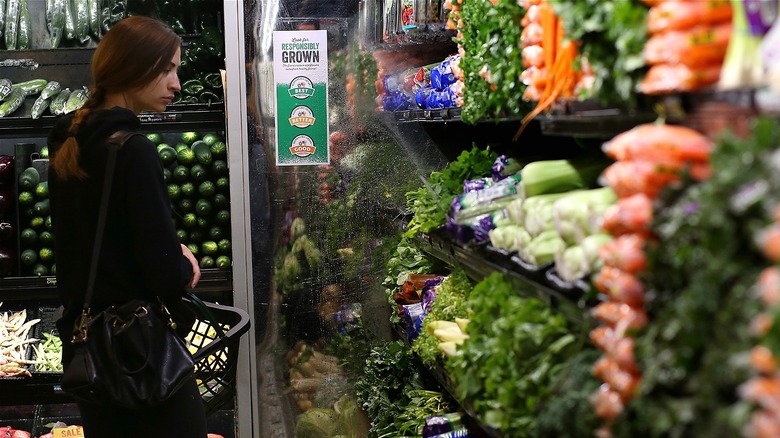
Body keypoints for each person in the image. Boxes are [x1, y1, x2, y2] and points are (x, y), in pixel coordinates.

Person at [47, 16, 207, 438]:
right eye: (168, 68)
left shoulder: (68, 139)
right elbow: (165, 276)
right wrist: (182, 261)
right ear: (133, 68)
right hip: (140, 356)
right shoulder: (134, 151)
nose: (176, 83)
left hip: (88, 354)